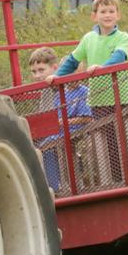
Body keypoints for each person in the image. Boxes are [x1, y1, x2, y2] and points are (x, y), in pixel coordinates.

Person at [45, 0, 128, 184]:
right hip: (98, 99)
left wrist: (103, 67)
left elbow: (119, 56)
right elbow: (72, 60)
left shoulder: (122, 37)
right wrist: (57, 76)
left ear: (118, 15)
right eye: (103, 11)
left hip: (120, 96)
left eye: (111, 11)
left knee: (123, 138)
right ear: (94, 16)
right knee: (105, 141)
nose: (107, 15)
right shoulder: (89, 39)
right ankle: (112, 179)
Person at [28, 47, 92, 192]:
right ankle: (50, 186)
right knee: (39, 147)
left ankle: (56, 187)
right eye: (34, 71)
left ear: (55, 69)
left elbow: (86, 117)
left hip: (72, 129)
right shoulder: (51, 92)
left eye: (41, 70)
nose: (38, 75)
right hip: (57, 130)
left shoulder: (72, 90)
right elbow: (48, 116)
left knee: (47, 147)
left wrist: (60, 123)